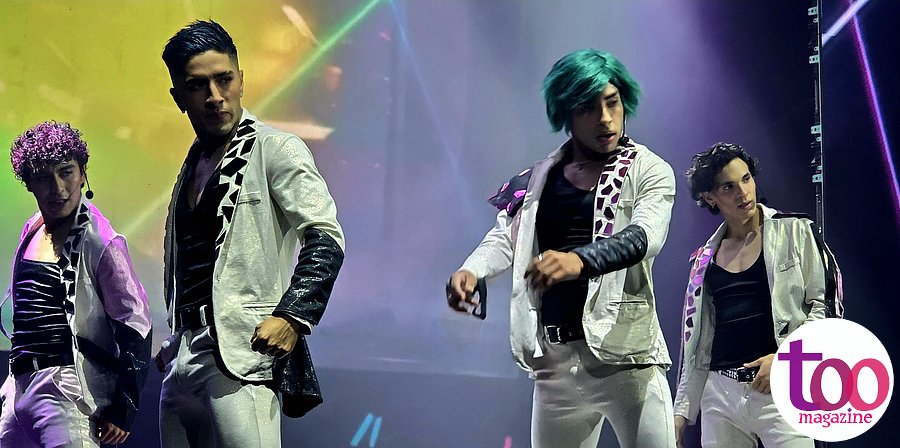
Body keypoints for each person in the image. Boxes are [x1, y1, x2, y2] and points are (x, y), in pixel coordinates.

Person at [446, 49, 677, 448]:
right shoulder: (538, 178)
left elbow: (644, 237)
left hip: (626, 359)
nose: (605, 118)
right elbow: (505, 237)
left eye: (612, 103)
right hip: (554, 366)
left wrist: (577, 260)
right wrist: (471, 271)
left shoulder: (649, 169)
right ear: (566, 114)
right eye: (588, 108)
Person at [156, 20, 345, 448]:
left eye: (224, 79)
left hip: (241, 354)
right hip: (183, 356)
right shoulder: (192, 164)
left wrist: (292, 317)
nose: (214, 96)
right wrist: (176, 339)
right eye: (197, 86)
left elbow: (325, 235)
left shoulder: (275, 148)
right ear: (178, 97)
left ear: (241, 79)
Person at [674, 142, 843, 448]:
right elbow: (695, 342)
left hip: (780, 387)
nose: (743, 192)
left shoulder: (796, 230)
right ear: (710, 196)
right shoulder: (703, 259)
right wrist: (681, 413)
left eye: (746, 178)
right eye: (728, 186)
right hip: (719, 394)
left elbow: (828, 306)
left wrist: (787, 358)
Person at [1, 121, 152, 446]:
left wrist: (123, 407)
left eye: (66, 172)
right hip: (18, 387)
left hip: (67, 389)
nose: (58, 188)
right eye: (43, 177)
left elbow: (136, 323)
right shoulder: (32, 226)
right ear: (29, 183)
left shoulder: (100, 239)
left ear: (83, 173)